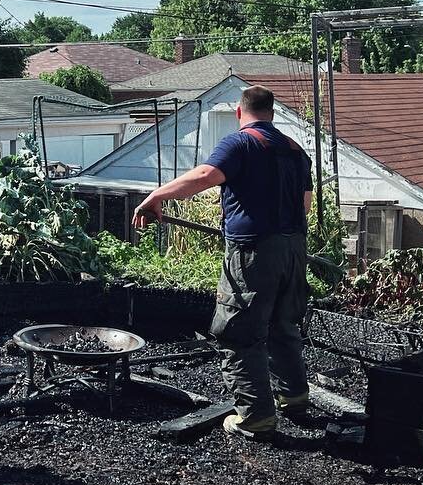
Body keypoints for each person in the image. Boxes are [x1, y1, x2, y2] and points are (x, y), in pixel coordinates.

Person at [133, 84, 313, 442]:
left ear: (239, 113)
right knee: (283, 323)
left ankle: (256, 417)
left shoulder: (239, 143)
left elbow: (204, 177)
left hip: (253, 253)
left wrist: (156, 196)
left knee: (239, 332)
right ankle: (294, 397)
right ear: (272, 113)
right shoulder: (295, 151)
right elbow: (305, 204)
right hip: (294, 249)